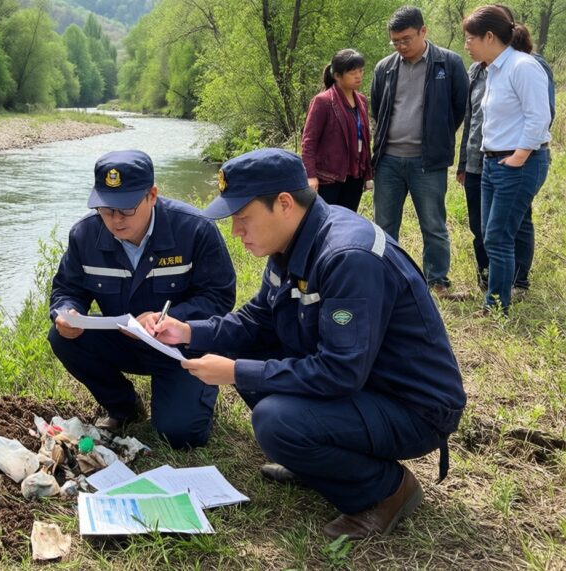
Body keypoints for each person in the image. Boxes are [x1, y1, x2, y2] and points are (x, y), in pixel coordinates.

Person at [151, 149, 466, 539]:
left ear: (283, 204)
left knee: (275, 419)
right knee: (248, 358)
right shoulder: (292, 244)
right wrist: (189, 332)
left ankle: (385, 491)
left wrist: (233, 371)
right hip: (368, 384)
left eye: (242, 218)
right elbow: (257, 319)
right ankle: (317, 461)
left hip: (413, 406)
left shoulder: (347, 257)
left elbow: (339, 372)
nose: (236, 231)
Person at [48, 150, 236, 449]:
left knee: (179, 435)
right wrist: (66, 311)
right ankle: (124, 406)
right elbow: (67, 289)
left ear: (152, 195)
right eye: (107, 210)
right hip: (123, 340)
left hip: (180, 347)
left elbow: (219, 297)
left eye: (126, 210)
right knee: (60, 337)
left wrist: (170, 320)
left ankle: (192, 393)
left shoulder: (194, 229)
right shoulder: (84, 235)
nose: (115, 221)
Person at [370, 6, 469, 299]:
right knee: (384, 225)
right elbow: (379, 109)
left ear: (423, 32)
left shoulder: (448, 63)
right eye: (395, 41)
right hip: (388, 161)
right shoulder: (384, 67)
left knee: (433, 225)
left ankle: (437, 281)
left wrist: (436, 137)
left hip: (428, 162)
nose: (401, 46)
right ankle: (385, 279)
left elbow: (458, 107)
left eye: (406, 39)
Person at [458, 4, 555, 301]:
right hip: (492, 161)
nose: (466, 45)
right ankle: (497, 295)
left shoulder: (522, 67)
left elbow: (539, 116)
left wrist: (520, 156)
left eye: (470, 38)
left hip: (518, 162)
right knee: (491, 235)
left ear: (489, 37)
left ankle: (497, 304)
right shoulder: (494, 70)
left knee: (499, 236)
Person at [301, 49, 373, 212]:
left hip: (355, 175)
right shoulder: (323, 101)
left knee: (347, 221)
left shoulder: (361, 100)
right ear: (337, 75)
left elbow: (365, 138)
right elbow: (309, 141)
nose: (358, 76)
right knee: (325, 221)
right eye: (352, 72)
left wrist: (367, 172)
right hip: (329, 177)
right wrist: (310, 176)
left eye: (361, 71)